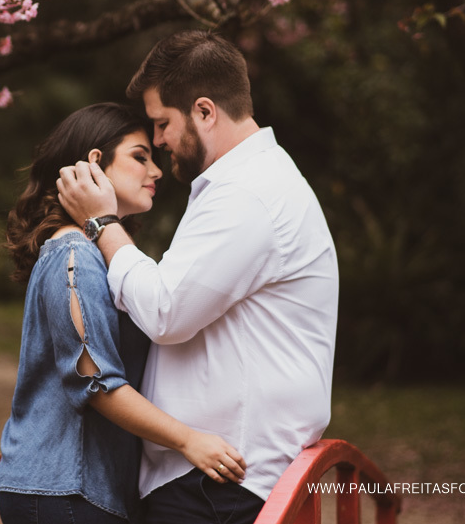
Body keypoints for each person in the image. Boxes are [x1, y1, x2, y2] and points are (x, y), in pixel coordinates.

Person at [57, 31, 339, 524]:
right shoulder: (245, 183)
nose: (160, 140)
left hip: (222, 481)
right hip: (216, 473)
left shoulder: (247, 194)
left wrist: (102, 225)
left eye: (163, 123)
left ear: (205, 112)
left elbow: (166, 311)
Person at [0, 102, 246, 524]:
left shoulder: (97, 255)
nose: (157, 171)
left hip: (84, 491)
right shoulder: (73, 254)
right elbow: (96, 383)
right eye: (139, 156)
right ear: (96, 163)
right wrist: (189, 441)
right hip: (63, 489)